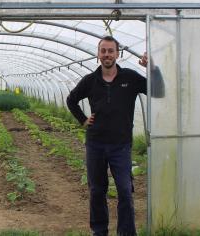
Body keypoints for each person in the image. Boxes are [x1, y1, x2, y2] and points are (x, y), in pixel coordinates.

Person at [66, 36, 163, 236]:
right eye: (103, 51)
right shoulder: (90, 81)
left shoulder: (130, 77)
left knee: (125, 192)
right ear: (98, 54)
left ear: (117, 53)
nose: (107, 54)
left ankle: (126, 233)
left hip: (121, 146)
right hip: (96, 145)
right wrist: (83, 119)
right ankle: (99, 231)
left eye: (111, 51)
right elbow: (71, 99)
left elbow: (159, 92)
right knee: (97, 191)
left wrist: (152, 68)